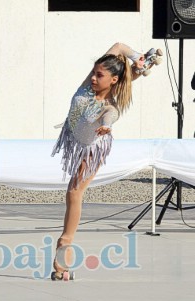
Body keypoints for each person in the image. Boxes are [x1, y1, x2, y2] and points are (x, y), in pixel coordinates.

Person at [50, 42, 151, 280]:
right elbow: (118, 46)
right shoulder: (88, 87)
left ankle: (64, 248)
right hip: (75, 136)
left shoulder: (110, 106)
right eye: (94, 72)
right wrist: (138, 58)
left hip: (93, 148)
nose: (93, 78)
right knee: (71, 194)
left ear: (112, 80)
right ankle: (142, 66)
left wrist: (106, 126)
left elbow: (109, 116)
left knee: (74, 193)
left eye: (99, 75)